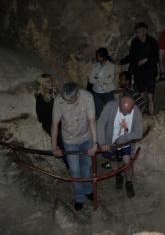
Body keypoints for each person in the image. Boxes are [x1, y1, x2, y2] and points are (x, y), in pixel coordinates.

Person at [51, 82, 97, 211]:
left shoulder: (87, 97)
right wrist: (54, 147)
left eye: (70, 100)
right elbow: (55, 124)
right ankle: (78, 197)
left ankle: (87, 190)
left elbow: (92, 121)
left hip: (86, 137)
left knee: (86, 166)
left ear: (77, 94)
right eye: (65, 100)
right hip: (69, 140)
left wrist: (95, 144)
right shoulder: (59, 101)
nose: (68, 102)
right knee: (75, 170)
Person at [97, 96, 143, 198]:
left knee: (127, 163)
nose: (125, 114)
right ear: (119, 104)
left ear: (132, 107)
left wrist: (123, 139)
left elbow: (139, 132)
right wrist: (102, 142)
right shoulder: (110, 107)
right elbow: (100, 123)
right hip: (109, 142)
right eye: (123, 112)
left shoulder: (136, 112)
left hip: (125, 142)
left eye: (128, 112)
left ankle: (129, 182)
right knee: (112, 159)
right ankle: (118, 175)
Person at [35, 74, 69, 169]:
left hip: (58, 120)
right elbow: (41, 117)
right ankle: (69, 165)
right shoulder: (40, 97)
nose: (51, 83)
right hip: (49, 123)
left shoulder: (54, 93)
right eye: (48, 81)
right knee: (61, 139)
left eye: (51, 81)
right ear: (42, 84)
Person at [126, 22, 159, 115]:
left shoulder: (152, 42)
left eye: (138, 32)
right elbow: (131, 56)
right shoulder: (135, 43)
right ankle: (143, 116)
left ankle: (152, 116)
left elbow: (156, 57)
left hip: (150, 72)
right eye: (136, 32)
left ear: (145, 32)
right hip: (139, 73)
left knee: (150, 96)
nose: (137, 34)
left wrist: (146, 60)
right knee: (141, 96)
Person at [89, 47, 116, 118]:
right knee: (99, 112)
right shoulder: (95, 66)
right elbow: (91, 80)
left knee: (112, 110)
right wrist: (103, 80)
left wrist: (97, 79)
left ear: (103, 56)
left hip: (107, 91)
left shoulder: (111, 66)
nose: (97, 57)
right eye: (97, 56)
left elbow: (110, 80)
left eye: (98, 56)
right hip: (96, 92)